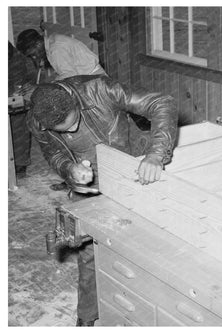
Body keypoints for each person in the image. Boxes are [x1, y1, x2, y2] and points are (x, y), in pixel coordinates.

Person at [28, 74, 178, 326]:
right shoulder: (39, 120)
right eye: (63, 130)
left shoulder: (99, 89)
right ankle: (86, 316)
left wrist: (155, 154)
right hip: (88, 182)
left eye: (74, 122)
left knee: (145, 242)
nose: (73, 130)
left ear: (75, 102)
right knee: (88, 249)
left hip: (130, 167)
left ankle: (146, 309)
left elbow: (162, 103)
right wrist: (69, 170)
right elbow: (52, 152)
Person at [16, 29, 106, 81]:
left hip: (94, 80)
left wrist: (50, 86)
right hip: (91, 78)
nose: (35, 57)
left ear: (38, 44)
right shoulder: (52, 40)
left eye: (33, 54)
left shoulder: (55, 49)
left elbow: (70, 75)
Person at [8, 42, 38, 177]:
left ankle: (20, 163)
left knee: (19, 123)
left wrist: (25, 87)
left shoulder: (20, 60)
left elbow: (31, 80)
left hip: (19, 95)